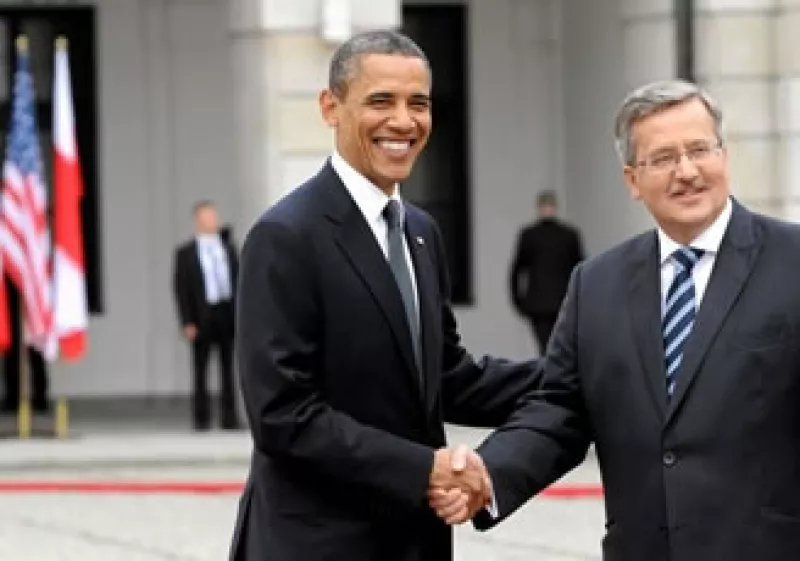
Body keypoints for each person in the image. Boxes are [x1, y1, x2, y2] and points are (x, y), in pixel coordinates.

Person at [431, 79, 800, 560]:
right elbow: (559, 411)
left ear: (724, 157)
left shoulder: (791, 261)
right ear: (632, 180)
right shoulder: (596, 285)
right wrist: (487, 474)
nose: (686, 171)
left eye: (699, 150)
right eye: (664, 158)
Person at [228, 29, 539, 561]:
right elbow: (283, 415)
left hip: (412, 541)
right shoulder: (286, 236)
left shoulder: (421, 232)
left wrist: (579, 367)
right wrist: (424, 468)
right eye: (381, 102)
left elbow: (445, 379)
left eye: (418, 103)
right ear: (331, 107)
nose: (403, 121)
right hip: (315, 545)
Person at [173, 201, 240, 431]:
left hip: (226, 312)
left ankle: (229, 417)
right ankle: (201, 418)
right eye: (207, 217)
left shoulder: (228, 248)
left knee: (228, 369)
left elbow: (238, 280)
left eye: (214, 217)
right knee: (200, 369)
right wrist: (187, 321)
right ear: (198, 221)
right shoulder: (186, 253)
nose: (212, 221)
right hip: (202, 315)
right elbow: (181, 289)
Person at [509, 190, 584, 352]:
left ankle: (551, 376)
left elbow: (517, 270)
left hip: (545, 303)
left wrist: (519, 301)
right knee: (559, 348)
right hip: (557, 301)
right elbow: (581, 270)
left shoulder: (531, 235)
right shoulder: (568, 235)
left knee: (549, 349)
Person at [1, 277, 49, 414]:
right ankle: (13, 399)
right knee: (12, 352)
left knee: (36, 349)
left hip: (32, 296)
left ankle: (40, 398)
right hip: (11, 298)